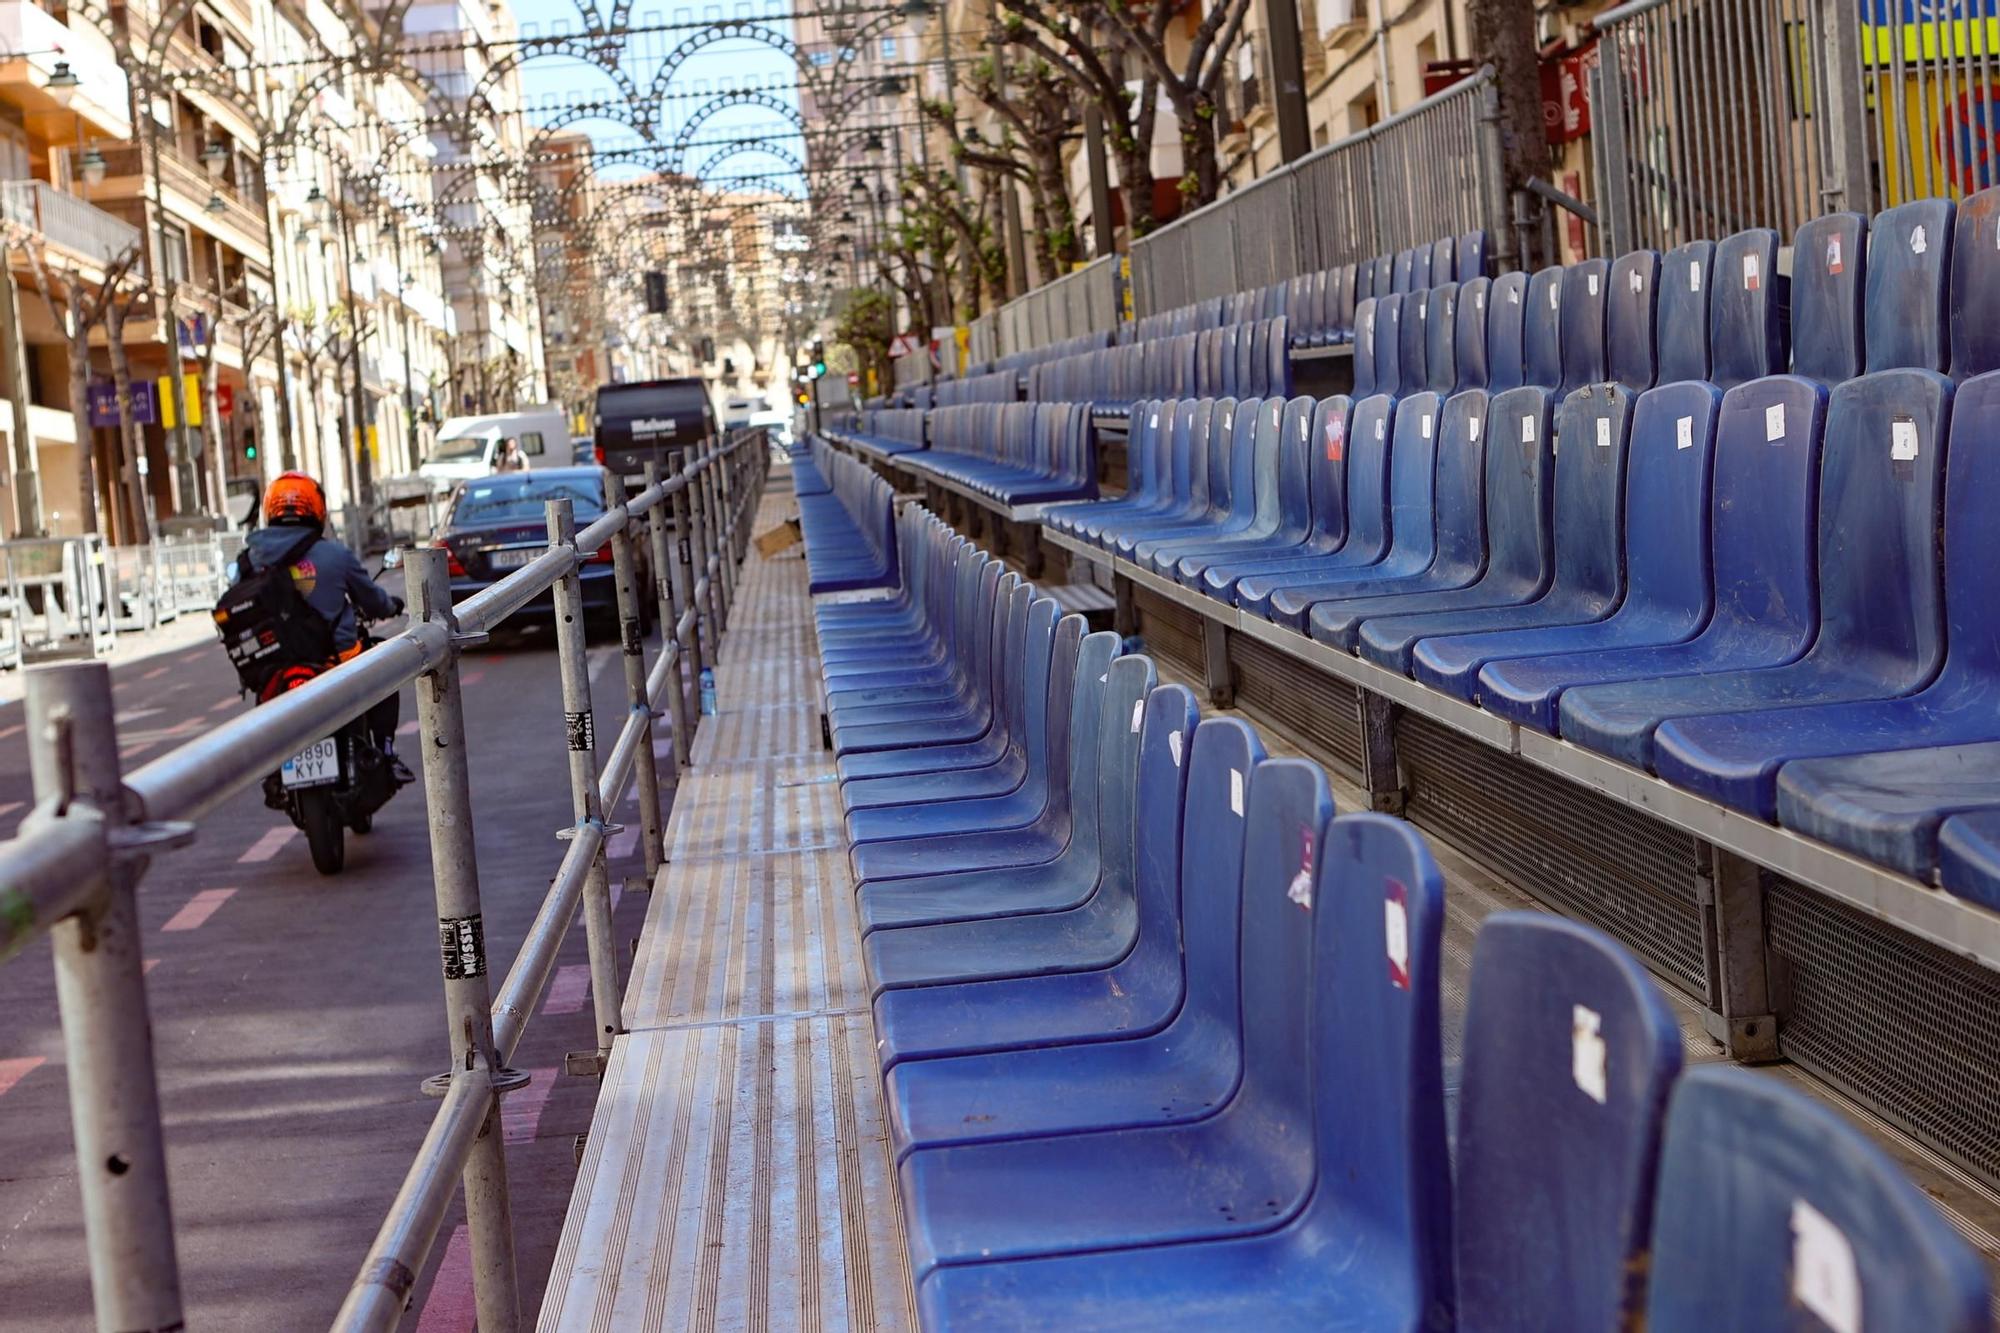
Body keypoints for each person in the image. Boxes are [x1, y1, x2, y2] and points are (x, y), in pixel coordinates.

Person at [241, 471, 413, 783]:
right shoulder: (336, 555)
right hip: (339, 663)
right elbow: (374, 602)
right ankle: (386, 751)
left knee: (263, 698)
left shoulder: (250, 561)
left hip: (277, 668)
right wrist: (392, 606)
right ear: (317, 510)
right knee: (386, 672)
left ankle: (269, 768)